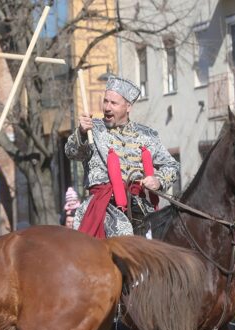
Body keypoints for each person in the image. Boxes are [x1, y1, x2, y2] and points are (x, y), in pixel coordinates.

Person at [64, 75, 179, 238]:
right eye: (105, 101)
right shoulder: (92, 129)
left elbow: (172, 166)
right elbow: (71, 152)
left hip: (141, 207)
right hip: (103, 209)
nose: (107, 107)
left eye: (114, 103)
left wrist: (158, 180)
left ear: (128, 107)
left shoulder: (147, 135)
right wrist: (81, 133)